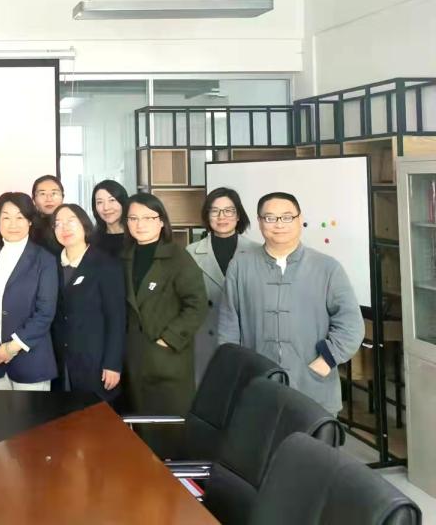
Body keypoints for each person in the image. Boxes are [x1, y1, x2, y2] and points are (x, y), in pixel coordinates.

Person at [218, 192, 364, 416]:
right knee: (260, 437)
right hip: (257, 386)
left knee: (313, 439)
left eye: (287, 217)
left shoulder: (327, 268)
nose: (279, 224)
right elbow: (228, 326)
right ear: (259, 222)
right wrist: (237, 371)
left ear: (299, 219)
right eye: (270, 218)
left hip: (313, 388)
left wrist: (326, 360)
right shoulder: (240, 266)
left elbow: (351, 324)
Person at [121, 193, 207, 458]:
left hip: (168, 360)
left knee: (169, 431)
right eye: (133, 218)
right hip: (133, 358)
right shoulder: (125, 257)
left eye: (148, 218)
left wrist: (168, 340)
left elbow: (197, 305)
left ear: (161, 222)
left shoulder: (178, 257)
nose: (140, 224)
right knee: (139, 430)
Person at [0, 193, 58, 391]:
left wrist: (13, 347)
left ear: (30, 221)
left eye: (20, 217)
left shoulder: (44, 259)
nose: (13, 224)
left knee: (31, 413)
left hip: (31, 360)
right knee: (1, 412)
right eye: (6, 217)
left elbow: (45, 312)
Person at [51, 203, 126, 403]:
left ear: (84, 225)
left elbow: (116, 317)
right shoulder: (50, 265)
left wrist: (112, 363)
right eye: (58, 223)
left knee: (95, 417)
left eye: (71, 221)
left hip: (96, 361)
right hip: (60, 361)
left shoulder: (105, 264)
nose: (64, 228)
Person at [186, 187, 259, 384]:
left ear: (238, 215)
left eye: (228, 211)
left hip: (246, 340)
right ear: (207, 215)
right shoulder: (190, 253)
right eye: (215, 211)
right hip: (204, 339)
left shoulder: (257, 252)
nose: (222, 217)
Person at [92, 180, 129, 257]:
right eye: (100, 202)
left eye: (112, 200)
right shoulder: (92, 240)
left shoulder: (136, 235)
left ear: (123, 202)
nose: (106, 208)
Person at [30, 174, 65, 254]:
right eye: (42, 194)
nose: (49, 199)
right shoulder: (28, 226)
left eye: (54, 193)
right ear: (33, 199)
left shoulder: (73, 222)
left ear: (63, 197)